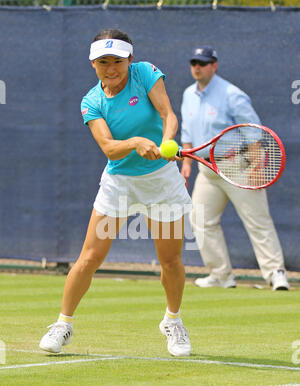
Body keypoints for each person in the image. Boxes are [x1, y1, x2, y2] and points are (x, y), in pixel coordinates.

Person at [39, 29, 192, 357]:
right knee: (89, 258)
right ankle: (63, 324)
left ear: (130, 60)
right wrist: (137, 143)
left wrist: (167, 142)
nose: (112, 69)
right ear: (93, 64)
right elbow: (109, 148)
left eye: (118, 62)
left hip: (162, 181)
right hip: (119, 184)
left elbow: (168, 114)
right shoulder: (91, 101)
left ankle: (173, 321)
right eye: (103, 62)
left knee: (170, 259)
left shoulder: (146, 74)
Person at [180, 46, 289, 291]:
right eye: (194, 62)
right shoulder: (188, 94)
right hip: (207, 170)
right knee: (201, 219)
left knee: (257, 220)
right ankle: (221, 275)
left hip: (237, 166)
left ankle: (276, 274)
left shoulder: (232, 94)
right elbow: (187, 132)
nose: (197, 67)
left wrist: (258, 163)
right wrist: (187, 163)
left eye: (203, 62)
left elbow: (253, 132)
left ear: (214, 66)